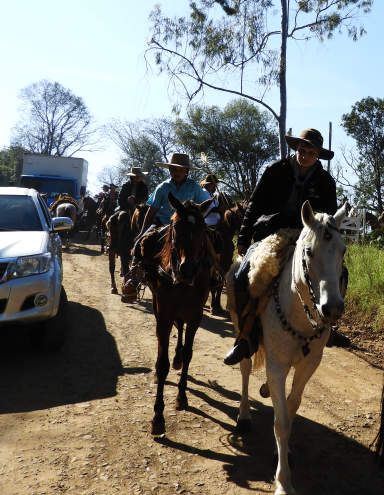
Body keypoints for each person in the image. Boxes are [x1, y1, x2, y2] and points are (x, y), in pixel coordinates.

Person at [223, 128, 346, 366]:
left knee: (342, 273)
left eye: (311, 152)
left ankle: (329, 326)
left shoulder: (325, 182)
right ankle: (244, 337)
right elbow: (254, 206)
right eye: (302, 150)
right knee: (240, 275)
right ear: (296, 149)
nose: (305, 155)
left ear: (318, 154)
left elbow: (329, 220)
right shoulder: (274, 171)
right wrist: (243, 239)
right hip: (271, 234)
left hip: (309, 238)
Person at [121, 153, 211, 300]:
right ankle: (133, 279)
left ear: (186, 171)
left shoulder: (194, 186)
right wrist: (143, 232)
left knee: (212, 241)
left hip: (187, 225)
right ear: (169, 169)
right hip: (163, 222)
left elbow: (203, 206)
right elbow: (152, 210)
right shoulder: (163, 186)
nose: (177, 172)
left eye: (181, 169)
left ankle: (214, 274)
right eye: (173, 169)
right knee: (140, 243)